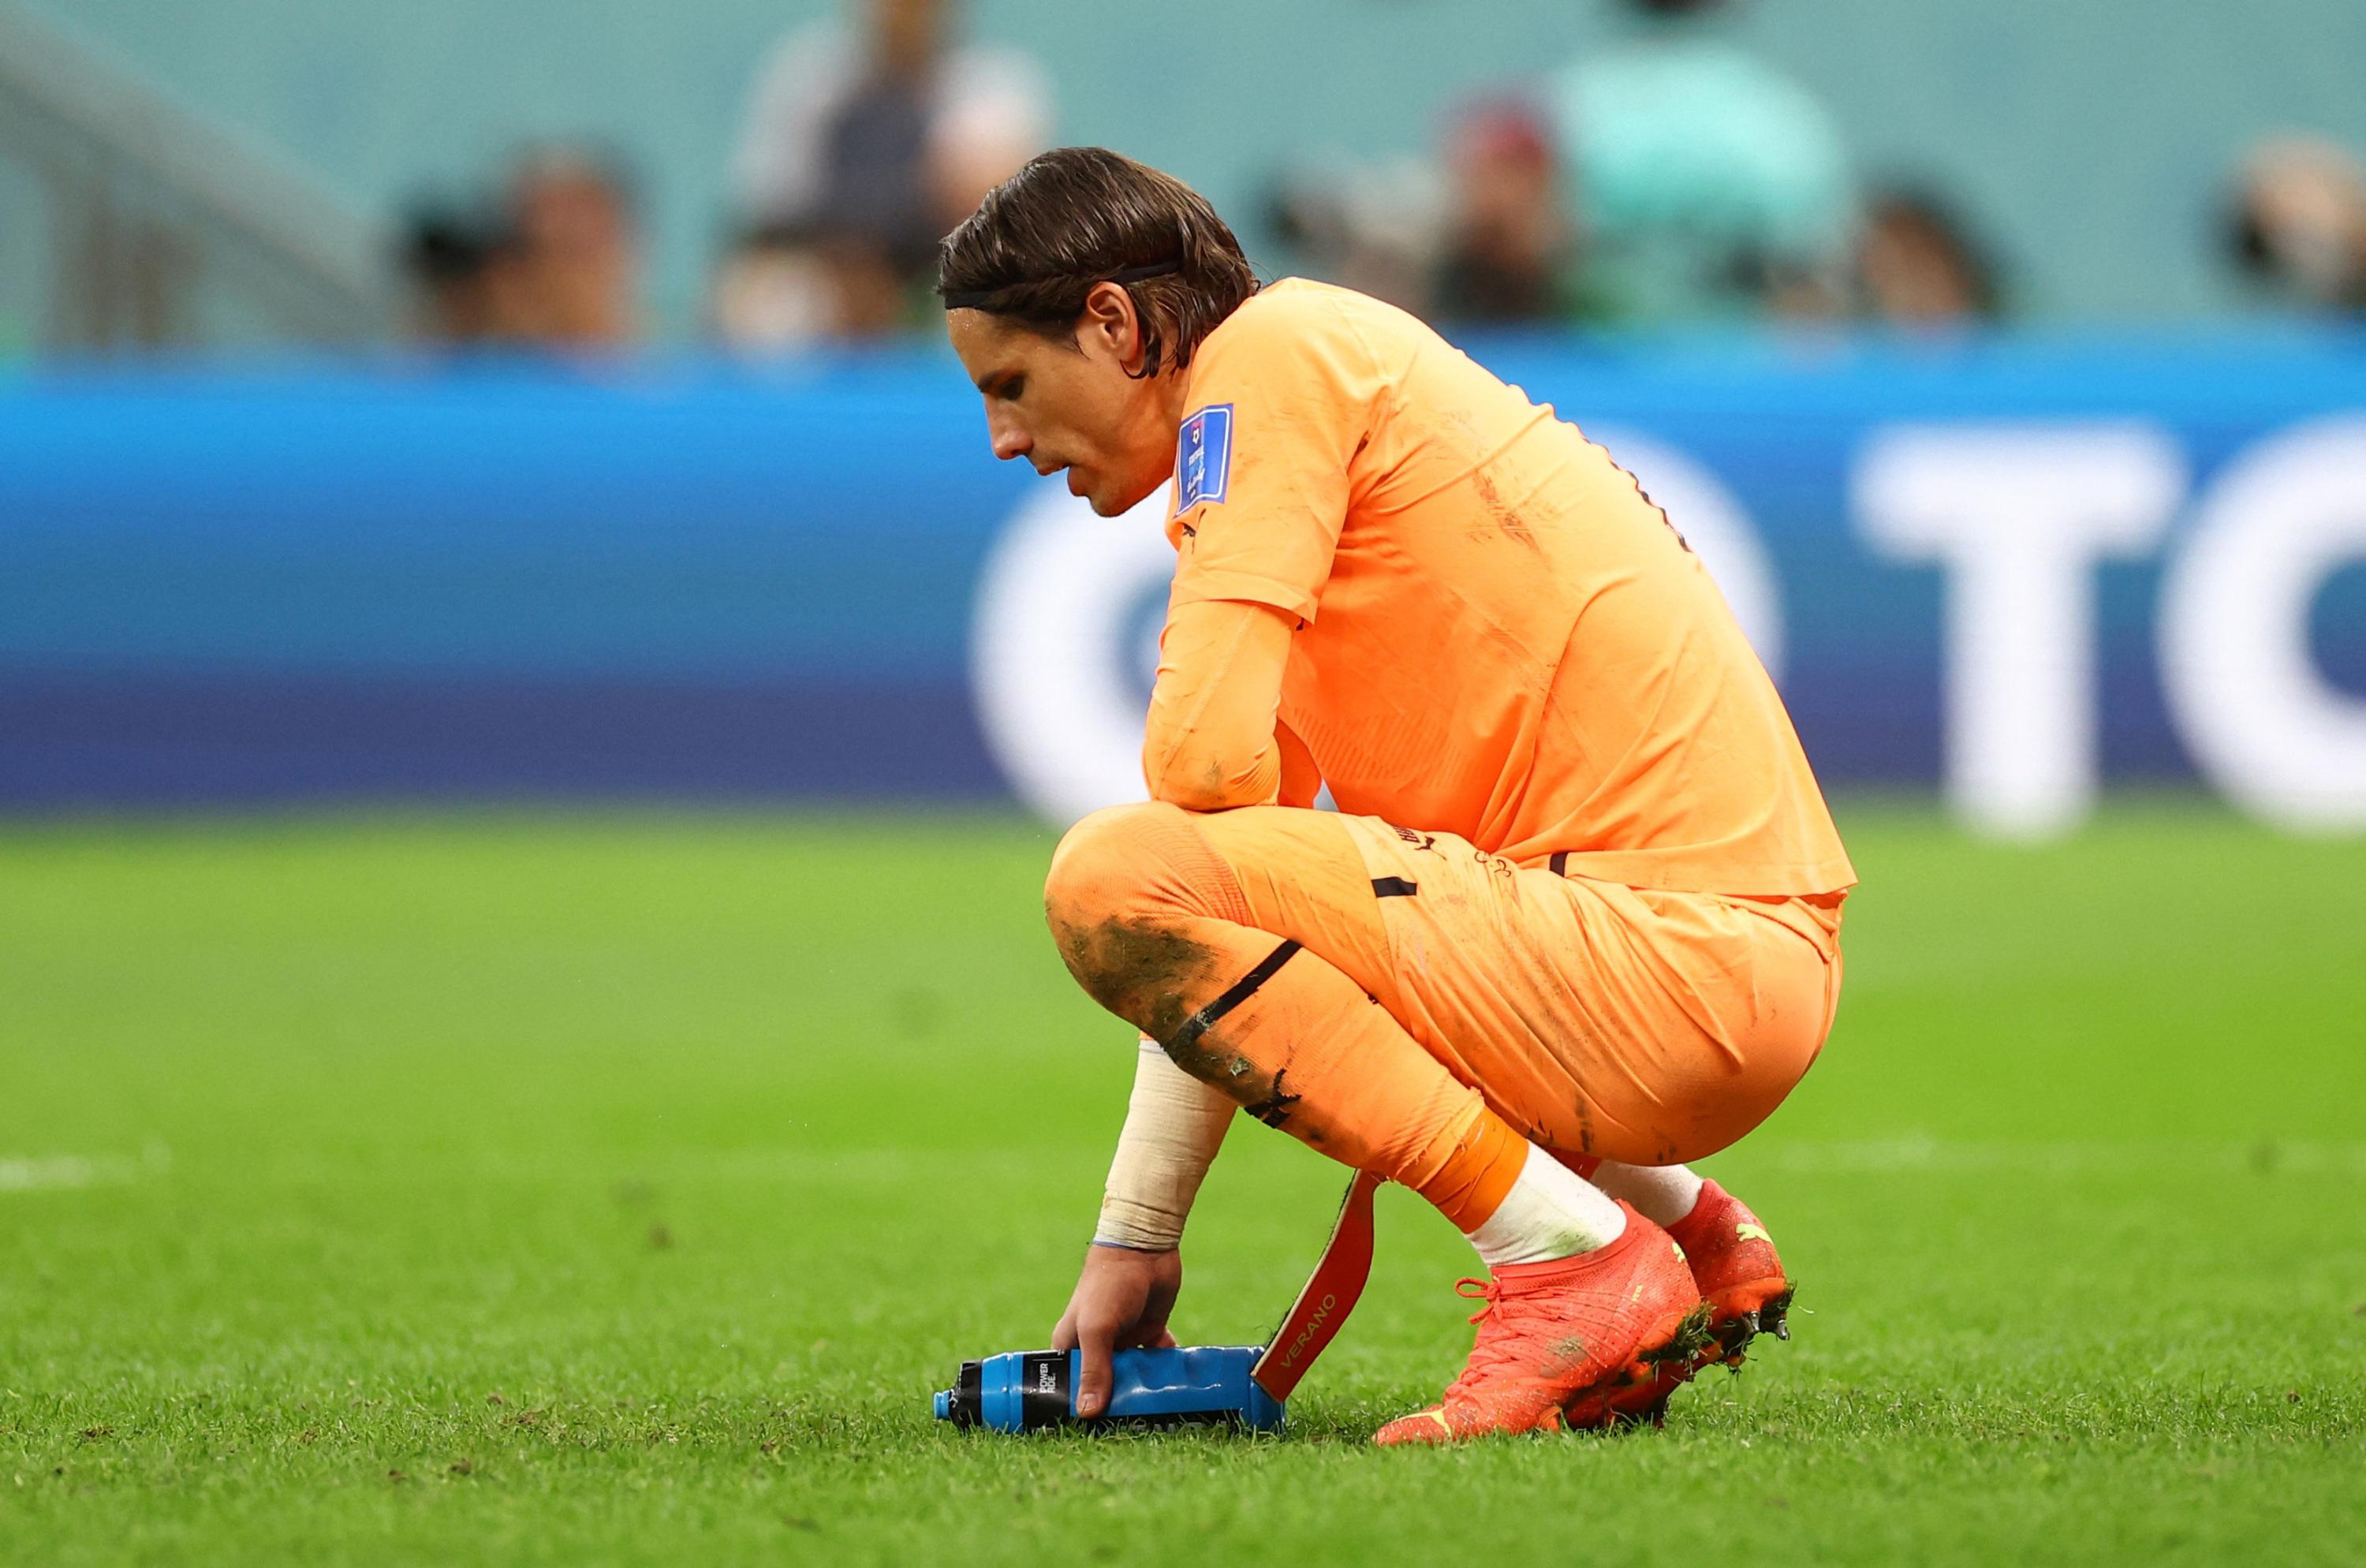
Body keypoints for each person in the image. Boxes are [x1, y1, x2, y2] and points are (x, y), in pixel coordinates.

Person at [937, 148, 1853, 1444]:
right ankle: (1674, 1221)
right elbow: (1235, 892)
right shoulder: (1322, 406)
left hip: (1669, 963)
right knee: (1168, 885)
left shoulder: (1272, 355)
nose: (1006, 439)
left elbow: (1192, 787)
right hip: (1697, 965)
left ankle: (1572, 1258)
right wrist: (1136, 1235)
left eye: (1012, 385)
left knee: (1106, 872)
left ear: (1115, 321)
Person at [730, 0, 1051, 339]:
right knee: (764, 302)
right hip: (826, 271)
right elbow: (769, 211)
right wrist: (849, 266)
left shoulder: (993, 89)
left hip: (935, 267)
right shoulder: (810, 80)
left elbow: (1009, 224)